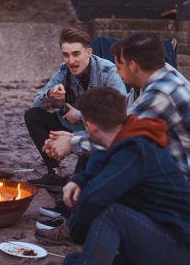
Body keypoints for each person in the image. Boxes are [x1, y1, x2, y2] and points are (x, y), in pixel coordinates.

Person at [21, 87, 190, 265]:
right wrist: (79, 179)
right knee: (74, 263)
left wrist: (77, 235)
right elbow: (97, 164)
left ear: (88, 126)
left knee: (110, 214)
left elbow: (95, 199)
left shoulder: (137, 148)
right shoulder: (121, 138)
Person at [43, 33, 190, 192]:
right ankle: (74, 209)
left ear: (134, 66)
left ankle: (76, 216)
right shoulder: (157, 77)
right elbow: (122, 116)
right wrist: (79, 130)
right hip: (178, 163)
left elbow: (121, 136)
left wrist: (71, 143)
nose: (116, 71)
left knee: (110, 164)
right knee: (104, 157)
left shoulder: (161, 93)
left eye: (119, 66)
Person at [24, 27, 126, 188]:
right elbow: (36, 102)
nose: (71, 61)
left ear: (88, 52)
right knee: (33, 115)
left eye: (76, 54)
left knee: (92, 131)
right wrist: (51, 94)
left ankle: (78, 182)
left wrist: (80, 114)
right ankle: (55, 172)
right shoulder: (64, 71)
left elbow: (119, 113)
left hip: (98, 131)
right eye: (66, 55)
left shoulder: (108, 72)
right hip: (73, 126)